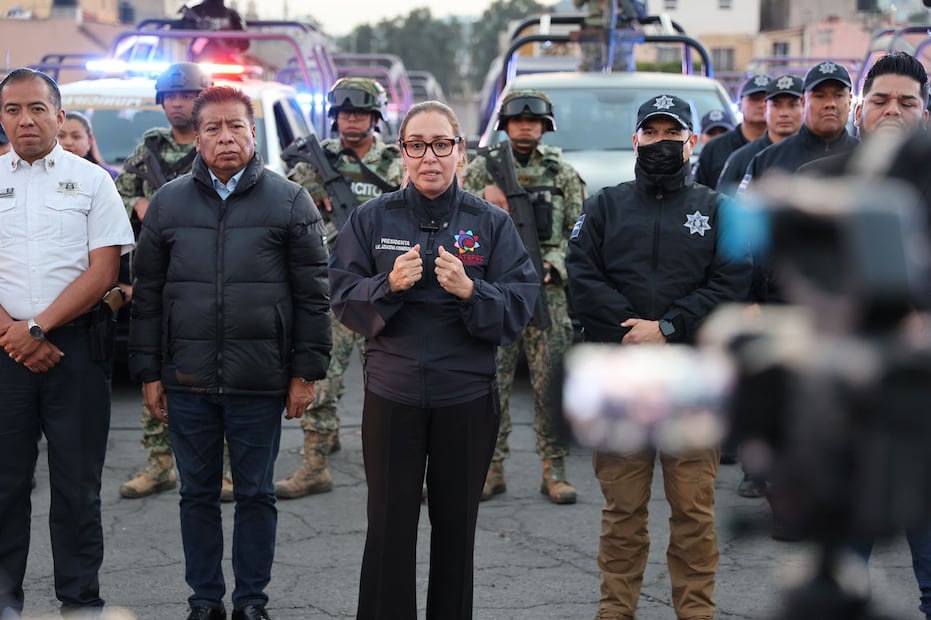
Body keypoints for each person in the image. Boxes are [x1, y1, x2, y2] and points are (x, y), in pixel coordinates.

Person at [328, 100, 539, 619]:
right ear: (401, 152)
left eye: (441, 144)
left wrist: (472, 291)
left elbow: (520, 304)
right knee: (388, 531)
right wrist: (387, 285)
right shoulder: (371, 218)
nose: (429, 157)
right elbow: (340, 296)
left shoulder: (489, 223)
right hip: (392, 395)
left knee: (455, 533)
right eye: (416, 145)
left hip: (465, 399)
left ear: (460, 152)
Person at [129, 84, 331, 620]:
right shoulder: (169, 203)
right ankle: (204, 602)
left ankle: (250, 603)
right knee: (196, 496)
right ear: (196, 139)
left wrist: (306, 373)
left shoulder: (290, 200)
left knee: (256, 495)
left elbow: (314, 296)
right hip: (187, 379)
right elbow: (147, 297)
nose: (225, 138)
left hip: (259, 379)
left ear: (253, 132)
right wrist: (149, 372)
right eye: (212, 128)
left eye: (235, 126)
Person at [565, 93, 752, 620]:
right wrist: (634, 330)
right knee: (621, 512)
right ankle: (615, 610)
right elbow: (582, 279)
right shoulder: (604, 205)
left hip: (691, 376)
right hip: (619, 373)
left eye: (674, 134)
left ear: (691, 142)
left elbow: (732, 284)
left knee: (693, 511)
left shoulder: (718, 211)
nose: (662, 143)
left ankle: (696, 611)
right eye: (653, 133)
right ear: (636, 140)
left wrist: (668, 328)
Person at [793, 52, 931, 619]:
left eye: (907, 101)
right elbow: (793, 282)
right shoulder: (816, 184)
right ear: (859, 106)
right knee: (839, 575)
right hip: (845, 404)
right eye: (880, 100)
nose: (892, 111)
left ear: (925, 111)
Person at [0, 67, 134, 616]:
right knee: (4, 488)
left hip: (74, 351)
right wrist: (15, 332)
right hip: (5, 352)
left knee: (77, 490)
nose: (24, 119)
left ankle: (81, 603)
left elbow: (104, 271)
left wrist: (38, 328)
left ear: (59, 115)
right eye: (12, 109)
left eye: (36, 108)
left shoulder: (93, 180)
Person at [275, 77, 403, 500]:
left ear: (375, 118)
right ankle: (315, 462)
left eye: (361, 113)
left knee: (394, 379)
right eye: (345, 113)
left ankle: (399, 464)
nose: (352, 120)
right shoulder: (315, 161)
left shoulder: (394, 163)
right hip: (337, 284)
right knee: (323, 374)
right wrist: (315, 192)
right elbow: (294, 205)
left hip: (387, 286)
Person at [461, 89, 586, 504]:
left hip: (546, 293)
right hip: (495, 292)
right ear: (505, 125)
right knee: (489, 385)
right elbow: (461, 227)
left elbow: (576, 233)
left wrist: (553, 264)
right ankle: (488, 470)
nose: (526, 126)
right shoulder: (482, 170)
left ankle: (554, 471)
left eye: (534, 121)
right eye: (518, 120)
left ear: (546, 126)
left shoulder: (563, 173)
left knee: (550, 384)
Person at [114, 61, 229, 500]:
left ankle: (225, 466)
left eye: (186, 95)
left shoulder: (217, 141)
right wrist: (141, 203)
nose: (177, 103)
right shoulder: (150, 147)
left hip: (212, 274)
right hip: (159, 272)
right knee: (154, 363)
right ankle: (159, 462)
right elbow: (119, 193)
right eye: (170, 96)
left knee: (218, 368)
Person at [737, 60, 859, 194]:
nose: (830, 104)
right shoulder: (768, 161)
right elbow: (742, 211)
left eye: (838, 95)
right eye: (820, 96)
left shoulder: (868, 158)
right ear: (803, 102)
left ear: (850, 100)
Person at [716, 74, 804, 196]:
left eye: (793, 105)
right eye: (776, 105)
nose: (784, 113)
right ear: (765, 110)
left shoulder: (819, 152)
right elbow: (724, 208)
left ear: (804, 106)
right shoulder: (743, 158)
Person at [692, 74, 770, 189]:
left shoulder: (786, 146)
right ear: (740, 105)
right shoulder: (715, 147)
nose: (762, 104)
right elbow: (699, 193)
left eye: (767, 99)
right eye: (754, 99)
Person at [58, 111, 118, 179]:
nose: (68, 142)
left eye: (76, 136)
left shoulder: (108, 176)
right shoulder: (45, 173)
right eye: (61, 136)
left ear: (90, 141)